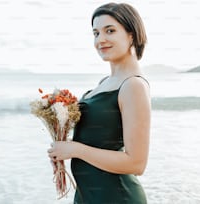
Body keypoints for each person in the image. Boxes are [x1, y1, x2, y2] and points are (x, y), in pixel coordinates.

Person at [48, 2, 150, 203]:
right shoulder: (105, 83)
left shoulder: (133, 85)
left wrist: (75, 149)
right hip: (88, 196)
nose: (100, 40)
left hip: (116, 197)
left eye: (109, 31)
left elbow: (136, 163)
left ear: (132, 34)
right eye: (95, 33)